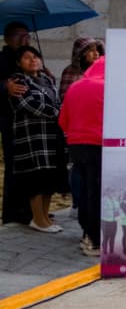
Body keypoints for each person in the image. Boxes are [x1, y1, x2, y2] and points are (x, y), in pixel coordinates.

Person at [7, 46, 67, 232]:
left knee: (49, 179)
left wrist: (59, 111)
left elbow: (57, 101)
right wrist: (59, 112)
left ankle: (45, 218)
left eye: (36, 56)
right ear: (19, 63)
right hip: (33, 139)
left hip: (51, 137)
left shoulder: (47, 79)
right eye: (27, 58)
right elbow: (30, 105)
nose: (33, 60)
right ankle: (38, 220)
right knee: (36, 180)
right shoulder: (18, 80)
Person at [59, 53, 105, 256]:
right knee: (97, 192)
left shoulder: (75, 86)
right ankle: (96, 240)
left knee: (85, 190)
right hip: (100, 144)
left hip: (77, 145)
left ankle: (87, 234)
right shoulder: (108, 87)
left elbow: (63, 120)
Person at [1, 22, 34, 225]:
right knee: (15, 166)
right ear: (6, 38)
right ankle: (13, 213)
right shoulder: (2, 58)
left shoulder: (29, 58)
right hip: (9, 119)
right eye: (18, 35)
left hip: (30, 123)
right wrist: (5, 85)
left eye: (26, 35)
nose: (23, 39)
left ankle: (32, 210)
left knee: (31, 167)